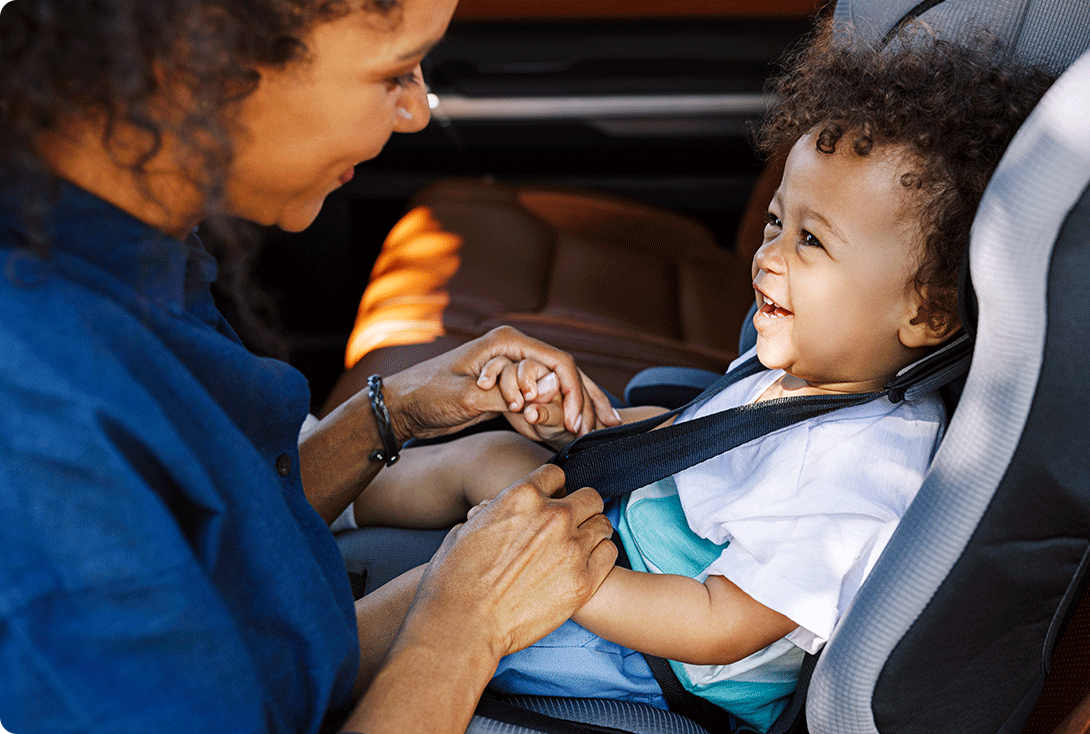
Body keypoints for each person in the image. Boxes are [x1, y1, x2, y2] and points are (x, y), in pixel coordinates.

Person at [342, 24, 1058, 732]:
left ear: (928, 311)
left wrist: (565, 582)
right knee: (488, 455)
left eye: (811, 241)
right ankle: (316, 503)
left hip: (653, 654)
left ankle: (303, 674)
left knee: (437, 593)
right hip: (634, 546)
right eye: (777, 223)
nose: (768, 255)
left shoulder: (863, 471)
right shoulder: (816, 364)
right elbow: (703, 441)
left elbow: (724, 625)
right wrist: (590, 425)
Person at [0, 0, 625, 732]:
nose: (418, 112)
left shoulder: (117, 236)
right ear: (199, 62)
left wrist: (388, 415)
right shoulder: (39, 420)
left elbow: (228, 548)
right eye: (394, 73)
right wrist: (465, 623)